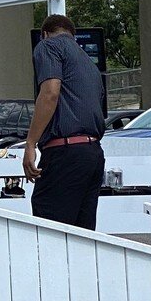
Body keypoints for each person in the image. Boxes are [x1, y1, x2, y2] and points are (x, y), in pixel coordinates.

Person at [22, 14, 106, 231]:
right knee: (82, 235)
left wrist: (30, 143)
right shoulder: (89, 63)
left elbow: (50, 93)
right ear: (73, 35)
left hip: (65, 152)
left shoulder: (47, 46)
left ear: (44, 34)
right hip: (93, 154)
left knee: (51, 228)